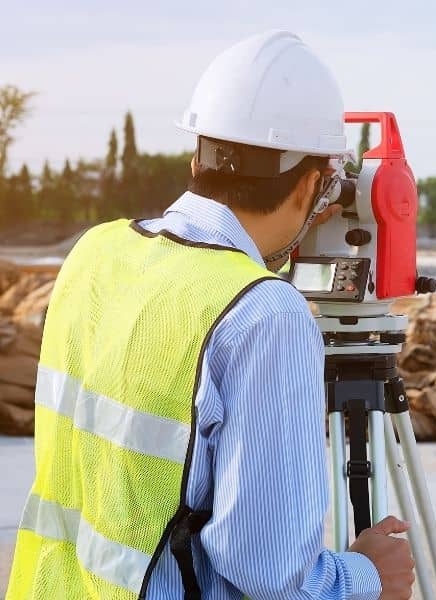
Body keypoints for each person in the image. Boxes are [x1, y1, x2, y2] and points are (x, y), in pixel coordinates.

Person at [7, 32, 414, 600]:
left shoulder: (95, 253)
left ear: (198, 155)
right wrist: (368, 576)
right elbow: (270, 570)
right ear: (314, 184)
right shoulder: (263, 313)